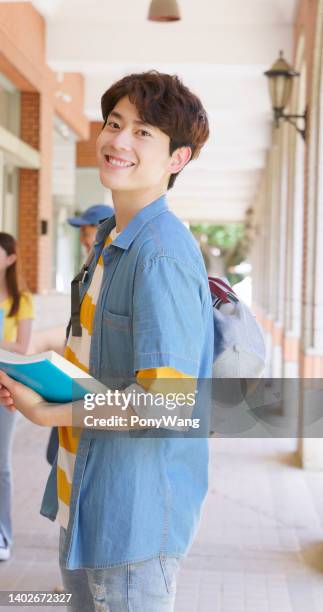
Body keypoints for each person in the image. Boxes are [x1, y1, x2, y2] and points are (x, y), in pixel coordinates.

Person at [0, 72, 214, 611]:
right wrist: (37, 375)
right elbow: (98, 365)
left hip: (134, 527)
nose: (119, 141)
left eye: (144, 133)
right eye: (115, 124)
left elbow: (166, 404)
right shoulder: (112, 243)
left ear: (177, 158)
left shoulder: (160, 254)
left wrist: (50, 415)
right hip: (87, 506)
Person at [46, 203, 114, 467]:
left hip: (94, 388)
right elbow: (75, 330)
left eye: (88, 231)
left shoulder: (112, 275)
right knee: (57, 455)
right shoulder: (84, 273)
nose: (85, 239)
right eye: (84, 233)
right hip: (72, 380)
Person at [0, 232, 33, 561]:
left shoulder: (20, 299)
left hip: (4, 388)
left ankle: (3, 536)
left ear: (9, 258)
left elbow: (23, 347)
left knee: (1, 465)